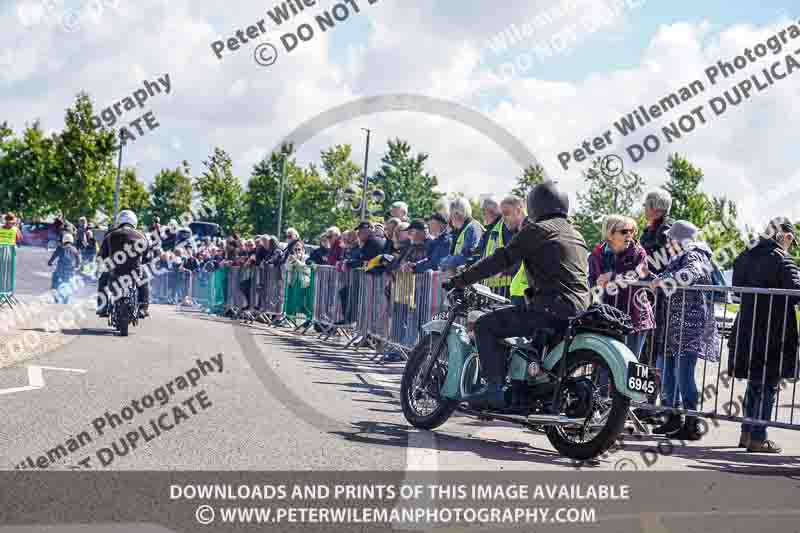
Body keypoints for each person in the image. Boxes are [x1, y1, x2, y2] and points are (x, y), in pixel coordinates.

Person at [449, 181, 591, 409]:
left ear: (536, 205)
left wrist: (460, 279)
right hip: (578, 310)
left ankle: (493, 389)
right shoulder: (576, 234)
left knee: (485, 325)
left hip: (549, 308)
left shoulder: (538, 230)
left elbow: (502, 258)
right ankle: (523, 391)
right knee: (528, 344)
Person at [728, 217, 800, 453]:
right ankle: (758, 438)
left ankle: (747, 434)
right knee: (768, 384)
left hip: (748, 327)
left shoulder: (746, 255)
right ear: (786, 236)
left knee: (754, 381)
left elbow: (736, 285)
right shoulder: (782, 258)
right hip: (773, 331)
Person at [649, 221, 720, 440]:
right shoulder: (679, 256)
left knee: (683, 375)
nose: (667, 242)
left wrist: (663, 280)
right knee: (670, 374)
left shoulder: (695, 254)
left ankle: (692, 422)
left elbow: (693, 275)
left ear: (680, 239)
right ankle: (673, 418)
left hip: (689, 326)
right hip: (674, 325)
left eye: (670, 238)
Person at [588, 215, 655, 358]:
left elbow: (640, 274)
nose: (629, 235)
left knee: (628, 364)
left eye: (632, 231)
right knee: (605, 364)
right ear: (610, 234)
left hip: (635, 318)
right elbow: (593, 281)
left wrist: (612, 276)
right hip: (608, 318)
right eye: (624, 231)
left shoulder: (638, 252)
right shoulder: (596, 254)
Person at [96, 210, 152, 319]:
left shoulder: (110, 234)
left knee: (102, 280)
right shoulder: (141, 235)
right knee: (145, 279)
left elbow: (102, 255)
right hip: (135, 271)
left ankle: (102, 307)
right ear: (134, 221)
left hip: (115, 270)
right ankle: (142, 308)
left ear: (119, 221)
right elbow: (147, 256)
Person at [439, 198, 484, 272]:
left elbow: (470, 256)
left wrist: (445, 262)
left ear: (457, 214)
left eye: (451, 213)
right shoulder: (460, 230)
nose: (450, 218)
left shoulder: (472, 228)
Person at [48, 233, 81, 304]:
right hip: (70, 271)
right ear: (72, 240)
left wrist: (50, 262)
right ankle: (66, 299)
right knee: (68, 283)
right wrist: (77, 266)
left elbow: (54, 255)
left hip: (60, 269)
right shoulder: (74, 249)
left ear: (63, 240)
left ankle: (56, 295)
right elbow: (78, 260)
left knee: (55, 282)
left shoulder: (60, 248)